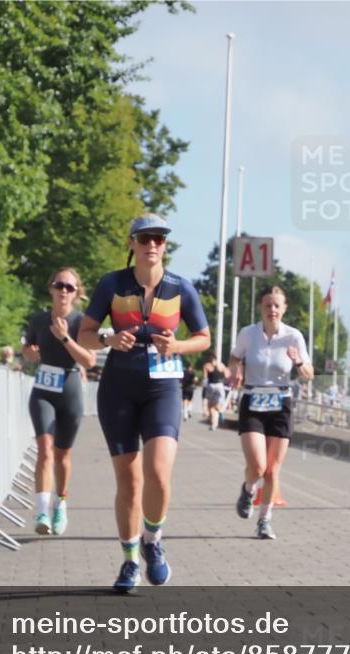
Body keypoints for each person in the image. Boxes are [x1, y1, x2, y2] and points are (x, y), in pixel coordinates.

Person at [77, 213, 210, 592]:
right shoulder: (112, 284)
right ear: (132, 243)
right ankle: (129, 561)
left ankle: (153, 541)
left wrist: (179, 345)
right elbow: (84, 334)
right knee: (129, 482)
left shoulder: (180, 288)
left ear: (165, 246)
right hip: (118, 387)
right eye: (145, 238)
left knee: (158, 473)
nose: (153, 245)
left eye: (160, 239)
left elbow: (203, 337)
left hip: (163, 387)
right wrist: (107, 340)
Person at [229, 286, 314, 540]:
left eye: (277, 305)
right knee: (257, 466)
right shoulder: (248, 334)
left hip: (281, 402)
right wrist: (236, 370)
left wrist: (298, 361)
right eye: (268, 305)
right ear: (261, 308)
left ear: (284, 308)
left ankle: (264, 520)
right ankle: (247, 489)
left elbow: (308, 374)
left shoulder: (293, 336)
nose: (272, 310)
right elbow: (234, 358)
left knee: (272, 470)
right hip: (253, 399)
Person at [21, 268, 95, 536]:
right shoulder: (39, 320)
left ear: (77, 293)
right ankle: (41, 509)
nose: (64, 290)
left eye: (70, 287)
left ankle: (60, 503)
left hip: (70, 388)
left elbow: (89, 361)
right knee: (45, 448)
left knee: (63, 455)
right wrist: (28, 352)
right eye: (59, 285)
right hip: (43, 389)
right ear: (51, 288)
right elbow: (28, 349)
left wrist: (64, 337)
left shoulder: (81, 322)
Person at [202, 353, 229, 431]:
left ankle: (214, 424)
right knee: (217, 405)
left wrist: (204, 388)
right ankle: (219, 413)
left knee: (211, 406)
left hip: (211, 386)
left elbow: (205, 377)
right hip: (220, 386)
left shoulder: (207, 365)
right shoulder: (221, 365)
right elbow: (227, 375)